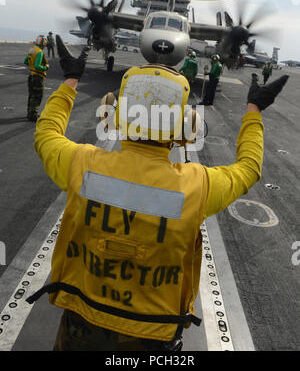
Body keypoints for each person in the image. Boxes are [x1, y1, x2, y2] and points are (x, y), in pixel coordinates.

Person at [26, 35, 289, 351]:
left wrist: (70, 81)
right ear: (184, 125)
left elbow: (46, 134)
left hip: (80, 327)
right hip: (152, 337)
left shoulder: (81, 163)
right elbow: (248, 168)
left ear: (114, 113)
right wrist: (253, 109)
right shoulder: (198, 185)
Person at [24, 35, 49, 122]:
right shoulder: (40, 52)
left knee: (31, 95)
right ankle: (33, 115)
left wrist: (32, 67)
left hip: (31, 76)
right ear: (43, 43)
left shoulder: (32, 49)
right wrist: (45, 67)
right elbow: (37, 66)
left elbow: (25, 61)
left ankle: (29, 113)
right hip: (38, 77)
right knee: (37, 96)